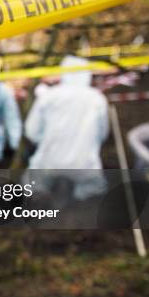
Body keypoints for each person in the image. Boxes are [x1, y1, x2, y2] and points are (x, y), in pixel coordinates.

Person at [24, 55, 109, 199]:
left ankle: (40, 205)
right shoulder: (97, 99)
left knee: (32, 184)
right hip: (84, 164)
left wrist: (43, 141)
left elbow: (31, 131)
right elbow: (102, 134)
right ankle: (79, 203)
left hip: (49, 162)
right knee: (92, 189)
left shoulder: (49, 96)